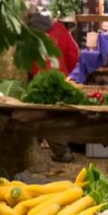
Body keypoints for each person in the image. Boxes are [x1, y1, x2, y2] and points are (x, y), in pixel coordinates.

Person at [27, 9, 80, 163]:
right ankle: (62, 152)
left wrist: (32, 73)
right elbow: (73, 53)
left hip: (38, 79)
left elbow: (26, 60)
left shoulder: (27, 33)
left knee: (42, 116)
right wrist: (64, 71)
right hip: (59, 77)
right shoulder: (58, 28)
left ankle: (61, 152)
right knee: (55, 116)